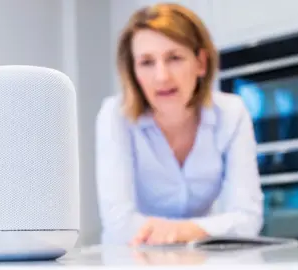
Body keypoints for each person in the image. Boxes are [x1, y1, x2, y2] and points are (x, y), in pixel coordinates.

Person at [95, 2, 263, 246]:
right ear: (133, 71)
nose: (162, 76)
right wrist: (200, 230)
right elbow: (119, 223)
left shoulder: (231, 113)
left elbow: (248, 219)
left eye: (174, 58)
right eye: (146, 62)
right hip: (133, 257)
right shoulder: (115, 116)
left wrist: (183, 231)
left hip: (200, 257)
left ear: (201, 63)